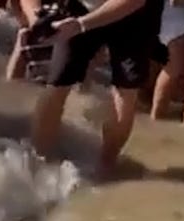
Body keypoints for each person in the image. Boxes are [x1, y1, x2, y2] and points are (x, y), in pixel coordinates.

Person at [22, 0, 164, 175]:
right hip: (79, 8)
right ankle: (38, 162)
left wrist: (81, 25)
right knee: (56, 85)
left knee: (125, 96)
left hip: (135, 16)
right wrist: (36, 16)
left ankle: (106, 167)